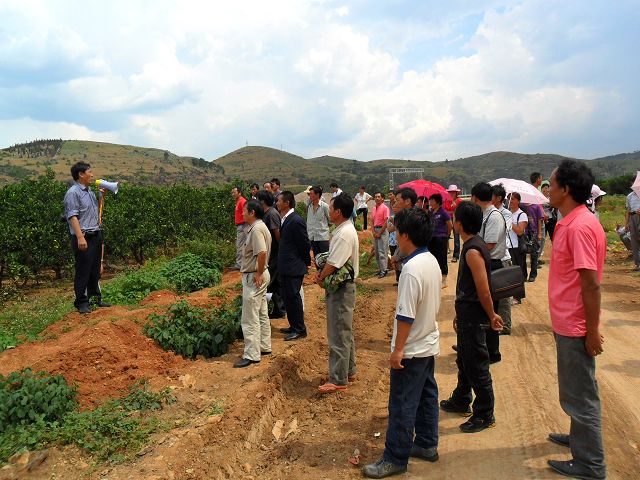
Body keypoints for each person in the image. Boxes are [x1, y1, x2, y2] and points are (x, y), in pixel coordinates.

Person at [362, 208, 441, 479]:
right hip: (427, 342)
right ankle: (427, 443)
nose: (394, 233)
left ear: (405, 235)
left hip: (412, 348)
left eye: (397, 230)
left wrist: (398, 350)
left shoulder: (411, 270)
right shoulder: (431, 260)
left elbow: (405, 315)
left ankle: (395, 457)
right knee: (427, 395)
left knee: (402, 404)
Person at [546, 160, 606, 480]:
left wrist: (592, 331)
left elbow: (590, 282)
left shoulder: (579, 226)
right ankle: (579, 440)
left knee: (580, 396)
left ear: (566, 189)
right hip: (569, 322)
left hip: (575, 324)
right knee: (576, 390)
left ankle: (590, 464)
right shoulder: (575, 221)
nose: (549, 189)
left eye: (553, 184)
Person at [440, 201, 503, 434]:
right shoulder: (472, 245)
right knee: (465, 360)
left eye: (455, 218)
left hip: (474, 317)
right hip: (467, 314)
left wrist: (491, 314)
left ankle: (485, 413)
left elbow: (483, 289)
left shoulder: (473, 250)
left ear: (459, 223)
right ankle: (461, 398)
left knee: (476, 364)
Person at [315, 193, 359, 394]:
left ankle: (338, 379)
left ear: (338, 212)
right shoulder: (345, 229)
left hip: (341, 289)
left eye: (331, 208)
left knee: (338, 334)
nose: (329, 211)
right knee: (345, 331)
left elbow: (333, 264)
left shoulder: (342, 233)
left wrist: (320, 277)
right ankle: (348, 370)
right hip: (346, 287)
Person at [63, 162, 111, 314]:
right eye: (89, 172)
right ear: (81, 175)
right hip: (84, 236)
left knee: (94, 269)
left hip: (95, 234)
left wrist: (101, 196)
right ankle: (81, 302)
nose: (92, 175)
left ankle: (95, 298)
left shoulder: (89, 192)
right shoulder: (73, 193)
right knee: (83, 270)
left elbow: (95, 213)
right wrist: (80, 238)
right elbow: (73, 217)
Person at [471, 182, 506, 364]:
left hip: (492, 265)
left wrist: (472, 251)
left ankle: (492, 352)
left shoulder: (494, 216)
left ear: (475, 198)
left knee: (490, 309)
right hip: (486, 263)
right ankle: (481, 347)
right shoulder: (486, 215)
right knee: (483, 309)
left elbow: (490, 244)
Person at [234, 200, 272, 368]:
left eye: (245, 211)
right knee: (262, 312)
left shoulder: (256, 229)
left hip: (255, 276)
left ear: (252, 213)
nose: (242, 213)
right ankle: (264, 346)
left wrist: (257, 272)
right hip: (261, 274)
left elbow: (262, 252)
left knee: (249, 317)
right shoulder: (260, 226)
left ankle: (251, 354)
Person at [276, 191, 311, 341]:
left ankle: (300, 329)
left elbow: (304, 244)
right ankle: (293, 325)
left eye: (279, 201)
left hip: (294, 266)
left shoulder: (296, 220)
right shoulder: (286, 219)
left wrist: (305, 262)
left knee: (293, 297)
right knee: (288, 297)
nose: (276, 203)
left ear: (287, 203)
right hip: (286, 265)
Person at [257, 190, 285, 319]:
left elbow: (277, 234)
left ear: (262, 202)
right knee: (274, 282)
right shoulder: (267, 213)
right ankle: (278, 308)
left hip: (274, 253)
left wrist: (279, 249)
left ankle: (278, 308)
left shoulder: (272, 214)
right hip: (271, 253)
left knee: (272, 280)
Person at [492, 184, 514, 334]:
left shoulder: (506, 213)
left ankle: (505, 326)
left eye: (492, 195)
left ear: (499, 198)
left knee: (504, 295)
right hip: (493, 257)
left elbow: (503, 230)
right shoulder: (488, 212)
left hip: (503, 258)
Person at [389, 188, 418, 285]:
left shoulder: (413, 219)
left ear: (407, 201)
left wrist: (396, 257)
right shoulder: (405, 216)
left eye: (397, 200)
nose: (395, 203)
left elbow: (407, 243)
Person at [508, 193, 528, 305]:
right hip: (508, 245)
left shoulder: (522, 215)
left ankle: (518, 296)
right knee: (509, 272)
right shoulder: (507, 213)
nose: (510, 202)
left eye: (513, 199)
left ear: (518, 201)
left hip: (516, 246)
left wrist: (510, 222)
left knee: (517, 272)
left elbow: (520, 231)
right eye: (509, 199)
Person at [427, 194, 452, 287]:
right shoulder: (431, 212)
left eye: (432, 200)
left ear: (437, 201)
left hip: (441, 238)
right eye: (430, 200)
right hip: (432, 238)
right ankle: (435, 277)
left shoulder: (443, 212)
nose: (430, 202)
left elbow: (450, 224)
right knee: (433, 258)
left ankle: (444, 279)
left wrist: (447, 234)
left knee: (442, 258)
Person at [306, 186, 330, 258]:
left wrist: (324, 228)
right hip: (312, 237)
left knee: (325, 259)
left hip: (322, 237)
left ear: (317, 195)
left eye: (311, 194)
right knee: (317, 258)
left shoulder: (324, 206)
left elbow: (330, 220)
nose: (310, 196)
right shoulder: (309, 207)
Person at [523, 201, 544, 281]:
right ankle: (524, 274)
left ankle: (533, 275)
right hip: (524, 232)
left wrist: (539, 233)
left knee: (534, 254)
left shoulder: (536, 206)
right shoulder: (521, 205)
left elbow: (539, 220)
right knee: (522, 254)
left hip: (534, 232)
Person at [372, 192, 390, 278]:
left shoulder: (385, 208)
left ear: (382, 199)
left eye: (379, 197)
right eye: (375, 197)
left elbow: (386, 222)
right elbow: (372, 221)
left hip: (382, 231)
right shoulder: (373, 209)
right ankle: (380, 269)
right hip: (375, 230)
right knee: (377, 252)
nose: (377, 198)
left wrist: (379, 233)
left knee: (382, 251)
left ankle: (384, 270)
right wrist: (373, 232)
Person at [445, 185, 463, 262]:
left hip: (456, 220)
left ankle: (456, 255)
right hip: (447, 219)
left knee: (456, 238)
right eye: (450, 192)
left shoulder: (459, 200)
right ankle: (444, 252)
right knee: (446, 236)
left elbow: (458, 209)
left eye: (453, 192)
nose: (451, 194)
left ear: (456, 193)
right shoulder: (446, 200)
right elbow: (444, 209)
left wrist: (453, 202)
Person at [231, 186, 247, 270]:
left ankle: (239, 264)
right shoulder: (238, 201)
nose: (232, 194)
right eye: (232, 192)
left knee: (240, 244)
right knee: (241, 244)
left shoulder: (242, 201)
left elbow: (246, 213)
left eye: (234, 192)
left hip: (243, 225)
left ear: (239, 193)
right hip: (240, 225)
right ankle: (242, 263)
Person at [626, 186, 640, 271]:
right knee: (634, 240)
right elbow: (628, 210)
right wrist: (626, 223)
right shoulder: (630, 196)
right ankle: (638, 264)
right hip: (632, 217)